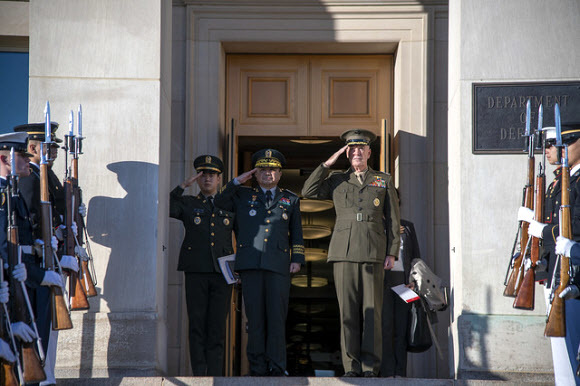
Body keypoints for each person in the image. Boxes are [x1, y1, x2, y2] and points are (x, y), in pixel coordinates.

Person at [302, 129, 400, 377]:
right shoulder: (336, 179)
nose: (357, 153)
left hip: (373, 251)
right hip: (343, 252)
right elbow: (308, 191)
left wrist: (393, 252)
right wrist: (327, 164)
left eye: (361, 149)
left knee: (372, 313)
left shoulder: (383, 180)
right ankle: (351, 367)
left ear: (369, 152)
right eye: (351, 149)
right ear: (346, 153)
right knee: (347, 313)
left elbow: (393, 220)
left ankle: (370, 367)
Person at [215, 149, 304, 376]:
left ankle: (277, 366)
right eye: (263, 169)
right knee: (255, 320)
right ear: (255, 174)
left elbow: (296, 233)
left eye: (273, 170)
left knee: (276, 318)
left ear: (280, 174)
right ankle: (257, 368)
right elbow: (219, 201)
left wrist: (297, 259)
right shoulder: (242, 195)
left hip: (279, 265)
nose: (268, 174)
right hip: (250, 264)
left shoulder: (290, 199)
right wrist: (236, 181)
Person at [10, 124, 74, 386]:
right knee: (39, 325)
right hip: (36, 261)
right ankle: (41, 375)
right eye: (50, 146)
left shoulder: (45, 175)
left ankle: (46, 373)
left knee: (48, 325)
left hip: (48, 257)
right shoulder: (29, 178)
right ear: (34, 148)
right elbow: (31, 223)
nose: (55, 151)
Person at [519, 123, 580, 385]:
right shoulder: (560, 181)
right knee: (562, 354)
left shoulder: (575, 182)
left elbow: (574, 229)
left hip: (573, 273)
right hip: (557, 271)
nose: (550, 151)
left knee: (569, 353)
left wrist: (543, 231)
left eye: (555, 145)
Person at [169, 155, 234, 376]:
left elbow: (243, 234)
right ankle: (199, 374)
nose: (207, 179)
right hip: (196, 271)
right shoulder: (188, 203)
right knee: (197, 324)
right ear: (197, 179)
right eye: (203, 175)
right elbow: (166, 207)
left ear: (219, 179)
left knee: (216, 326)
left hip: (222, 273)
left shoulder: (229, 203)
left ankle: (215, 374)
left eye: (212, 175)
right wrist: (182, 186)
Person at [381, 193, 420, 377]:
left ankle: (400, 372)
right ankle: (387, 372)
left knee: (402, 329)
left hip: (404, 285)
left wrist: (415, 281)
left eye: (394, 201)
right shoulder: (376, 226)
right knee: (386, 328)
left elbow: (416, 258)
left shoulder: (409, 226)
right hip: (383, 284)